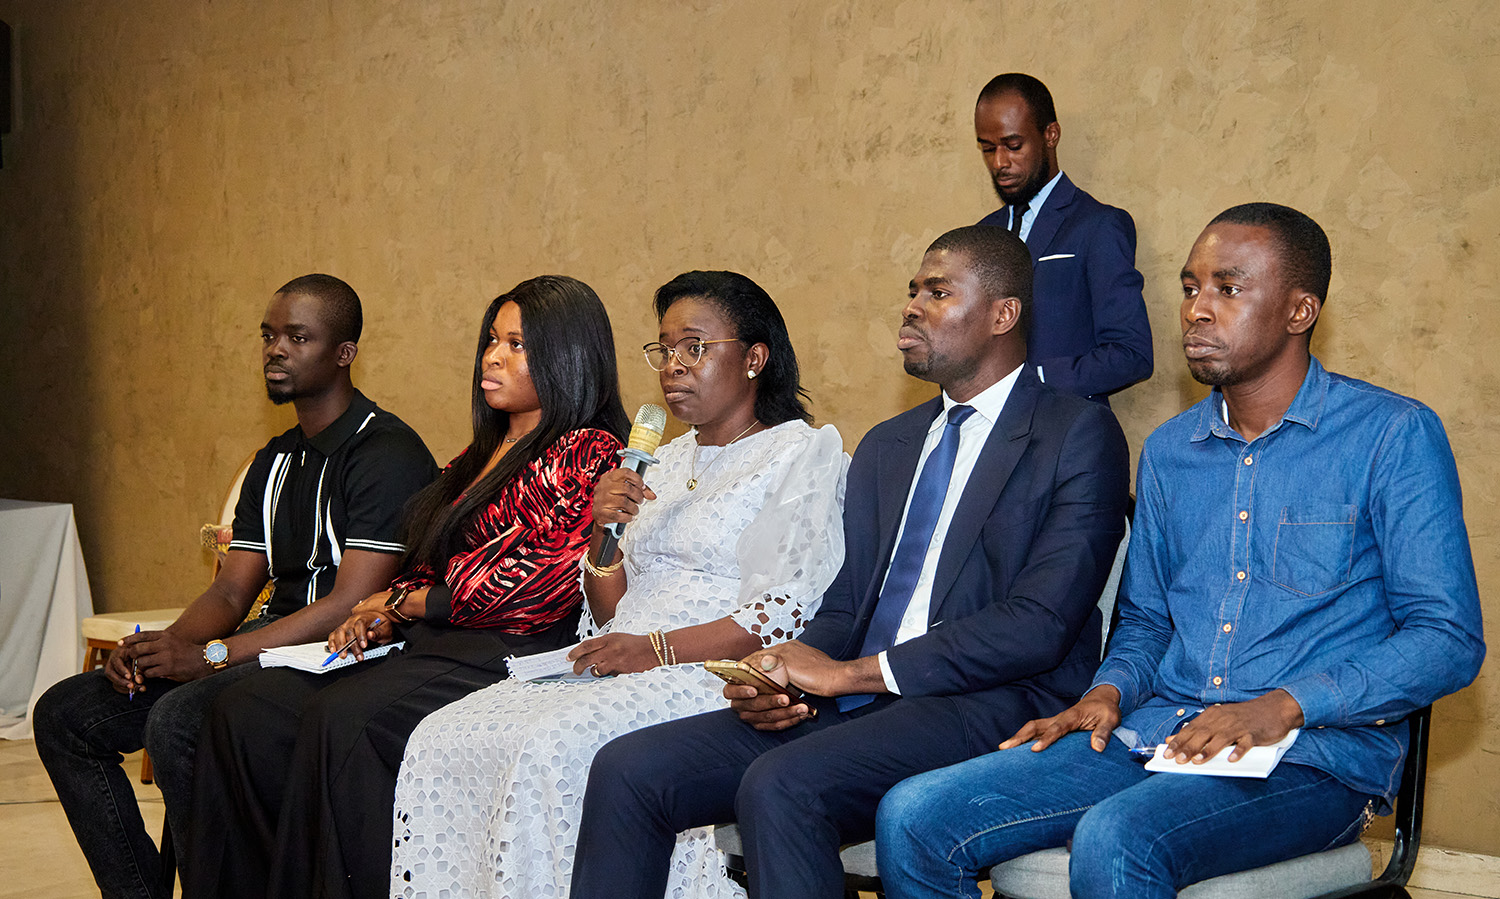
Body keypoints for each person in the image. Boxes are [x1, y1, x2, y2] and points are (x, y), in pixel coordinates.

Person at [875, 203, 1487, 899]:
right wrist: (1106, 693)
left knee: (1118, 837)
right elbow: (1147, 621)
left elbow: (1447, 638)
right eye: (1191, 288)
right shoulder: (1170, 451)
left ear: (1300, 310)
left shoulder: (1391, 436)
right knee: (915, 815)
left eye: (1228, 289)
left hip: (1312, 758)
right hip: (1158, 736)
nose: (1197, 309)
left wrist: (1283, 705)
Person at [570, 226, 1131, 899]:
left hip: (992, 701)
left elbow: (1039, 624)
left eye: (938, 293)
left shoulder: (1074, 433)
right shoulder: (890, 444)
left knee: (782, 784)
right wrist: (784, 674)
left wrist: (849, 675)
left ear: (1003, 314)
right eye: (912, 291)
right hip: (861, 700)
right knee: (629, 769)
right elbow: (847, 604)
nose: (912, 307)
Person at [388, 270, 848, 898]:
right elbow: (612, 611)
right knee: (446, 736)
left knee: (547, 748)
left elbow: (782, 612)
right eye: (665, 349)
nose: (673, 366)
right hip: (623, 653)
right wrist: (604, 532)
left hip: (710, 668)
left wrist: (654, 650)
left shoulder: (801, 454)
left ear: (754, 359)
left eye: (695, 348)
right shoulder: (661, 459)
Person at [182, 275, 630, 899]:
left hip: (508, 651)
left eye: (518, 345)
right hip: (434, 640)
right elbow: (428, 552)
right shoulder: (480, 453)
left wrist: (406, 601)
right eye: (492, 340)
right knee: (245, 711)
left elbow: (540, 583)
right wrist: (389, 610)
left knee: (344, 722)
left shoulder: (589, 450)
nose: (493, 357)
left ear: (568, 357)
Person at [32, 274, 437, 899]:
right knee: (65, 716)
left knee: (180, 721)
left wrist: (212, 657)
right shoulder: (274, 459)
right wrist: (164, 648)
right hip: (268, 644)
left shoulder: (386, 452)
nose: (276, 350)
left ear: (344, 353)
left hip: (348, 654)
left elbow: (347, 604)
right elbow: (229, 594)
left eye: (297, 338)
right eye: (269, 335)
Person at [973, 73, 1152, 401]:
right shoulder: (979, 236)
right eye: (987, 148)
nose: (999, 162)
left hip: (1065, 426)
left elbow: (1131, 354)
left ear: (1050, 135)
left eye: (1014, 146)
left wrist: (1034, 380)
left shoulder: (1099, 225)